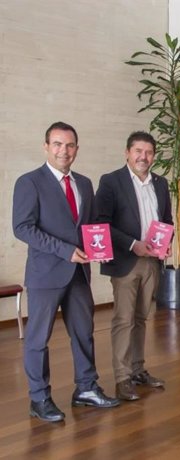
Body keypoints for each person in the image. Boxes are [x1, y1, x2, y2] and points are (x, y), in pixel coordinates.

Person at [12, 122, 119, 423]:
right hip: (46, 274)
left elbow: (91, 226)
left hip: (79, 274)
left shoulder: (84, 183)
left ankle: (85, 388)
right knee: (38, 339)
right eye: (58, 144)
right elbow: (22, 228)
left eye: (70, 145)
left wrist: (99, 248)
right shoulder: (29, 182)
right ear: (46, 146)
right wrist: (64, 250)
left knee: (84, 333)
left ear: (76, 149)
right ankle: (39, 398)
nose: (64, 150)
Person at [95, 131, 173, 401]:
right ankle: (122, 377)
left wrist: (168, 241)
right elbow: (101, 222)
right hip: (126, 261)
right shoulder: (111, 181)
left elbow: (167, 219)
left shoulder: (161, 183)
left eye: (149, 152)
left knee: (141, 318)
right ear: (127, 153)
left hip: (153, 261)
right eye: (138, 151)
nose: (143, 157)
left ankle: (138, 370)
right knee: (124, 319)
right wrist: (132, 244)